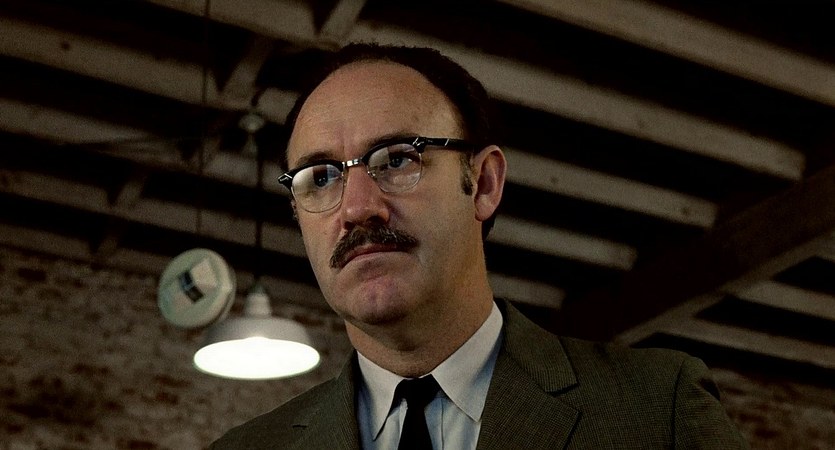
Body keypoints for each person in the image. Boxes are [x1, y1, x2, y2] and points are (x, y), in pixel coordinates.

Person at [210, 43, 748, 449]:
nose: (357, 208)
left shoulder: (657, 410)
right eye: (321, 177)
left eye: (397, 159)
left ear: (484, 183)